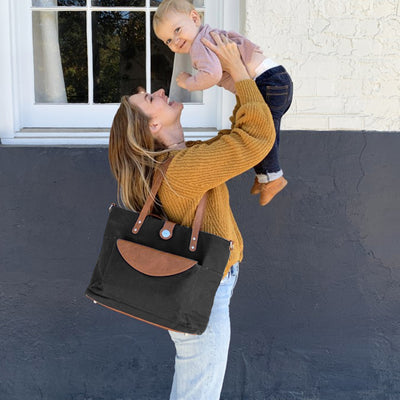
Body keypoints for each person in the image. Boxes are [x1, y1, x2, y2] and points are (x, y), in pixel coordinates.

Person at [108, 33, 275, 400]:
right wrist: (240, 75)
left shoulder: (180, 161)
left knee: (197, 390)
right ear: (153, 125)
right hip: (206, 290)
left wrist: (236, 86)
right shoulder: (182, 169)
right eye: (152, 99)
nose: (162, 93)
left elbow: (235, 138)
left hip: (202, 288)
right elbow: (257, 138)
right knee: (198, 394)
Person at [153, 0, 293, 206]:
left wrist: (188, 83)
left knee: (262, 130)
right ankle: (264, 176)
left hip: (266, 82)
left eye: (177, 30)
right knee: (265, 128)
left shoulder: (200, 45)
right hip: (277, 78)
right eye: (168, 41)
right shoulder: (209, 34)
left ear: (194, 18)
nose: (175, 40)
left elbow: (212, 74)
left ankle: (273, 177)